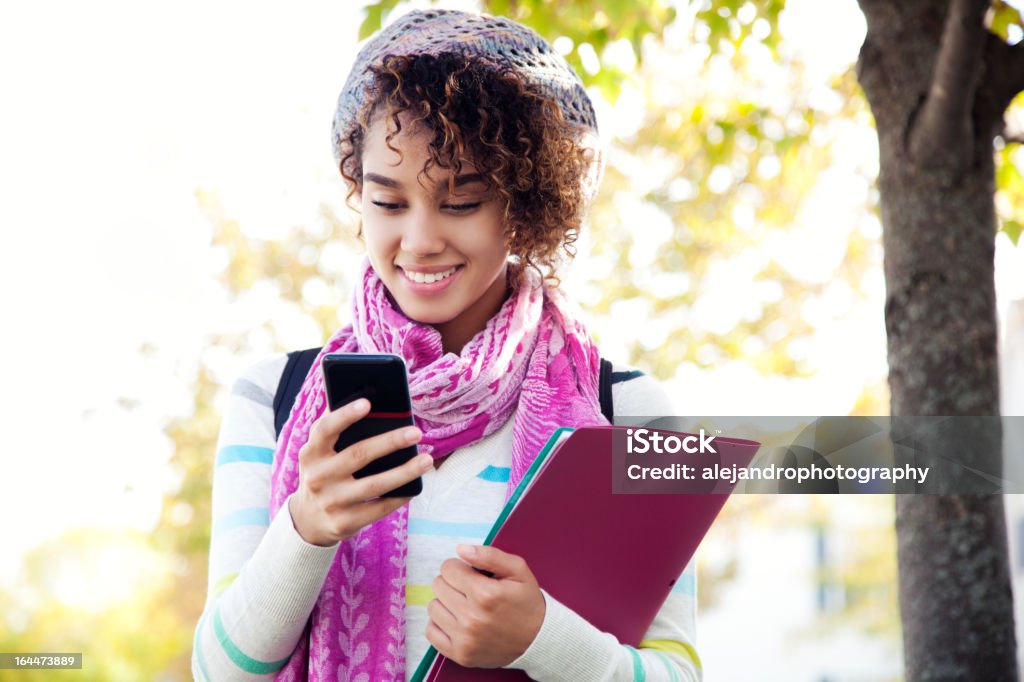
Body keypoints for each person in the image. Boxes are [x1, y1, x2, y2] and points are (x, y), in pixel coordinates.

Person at [192, 8, 700, 682]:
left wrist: (541, 637)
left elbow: (677, 673)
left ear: (523, 205)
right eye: (389, 203)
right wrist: (305, 527)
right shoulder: (274, 397)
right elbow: (219, 672)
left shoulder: (631, 410)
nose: (420, 240)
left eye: (460, 202)